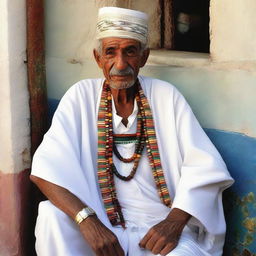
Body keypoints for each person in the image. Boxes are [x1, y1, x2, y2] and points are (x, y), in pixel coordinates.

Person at [30, 6, 233, 256]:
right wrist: (88, 221)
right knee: (51, 216)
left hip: (159, 231)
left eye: (130, 52)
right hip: (101, 223)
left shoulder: (165, 96)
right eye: (111, 52)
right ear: (98, 58)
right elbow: (43, 170)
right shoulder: (81, 96)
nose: (120, 63)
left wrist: (174, 223)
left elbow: (206, 168)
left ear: (144, 58)